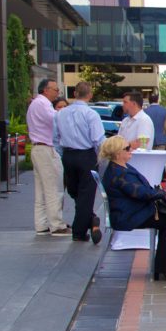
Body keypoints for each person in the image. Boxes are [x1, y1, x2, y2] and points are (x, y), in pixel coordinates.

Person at [100, 135, 166, 279]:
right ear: (118, 153)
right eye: (127, 148)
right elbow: (142, 194)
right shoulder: (120, 173)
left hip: (130, 211)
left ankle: (163, 267)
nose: (131, 150)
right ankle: (163, 268)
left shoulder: (119, 168)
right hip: (129, 215)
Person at [53, 81, 106, 243]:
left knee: (75, 191)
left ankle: (84, 224)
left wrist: (63, 154)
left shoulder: (60, 113)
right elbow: (98, 140)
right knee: (85, 193)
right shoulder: (91, 115)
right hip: (86, 155)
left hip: (68, 155)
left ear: (75, 93)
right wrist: (99, 158)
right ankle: (82, 227)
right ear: (89, 95)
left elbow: (55, 138)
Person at [26, 79, 71, 237]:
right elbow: (56, 119)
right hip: (45, 148)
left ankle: (42, 224)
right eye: (55, 89)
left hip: (39, 147)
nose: (57, 92)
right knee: (53, 187)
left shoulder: (37, 104)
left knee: (42, 190)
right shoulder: (42, 104)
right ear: (46, 90)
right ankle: (56, 225)